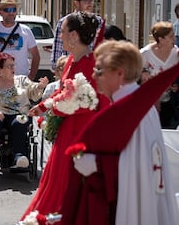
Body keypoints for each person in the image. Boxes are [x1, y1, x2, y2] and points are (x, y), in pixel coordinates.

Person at [60, 41, 179, 225]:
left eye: (99, 70)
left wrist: (96, 163)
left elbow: (137, 165)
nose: (93, 75)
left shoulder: (130, 112)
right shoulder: (137, 106)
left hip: (129, 208)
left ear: (120, 73)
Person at [21, 11, 108, 221]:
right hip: (68, 129)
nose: (59, 36)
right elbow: (63, 92)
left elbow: (88, 101)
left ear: (74, 36)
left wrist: (55, 108)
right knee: (57, 179)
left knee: (70, 181)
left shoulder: (91, 63)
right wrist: (44, 105)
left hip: (83, 131)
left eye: (62, 32)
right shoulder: (70, 60)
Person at [0, 52, 48, 168]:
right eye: (9, 66)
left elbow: (33, 93)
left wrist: (40, 86)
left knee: (20, 122)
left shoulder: (22, 80)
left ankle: (19, 156)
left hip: (18, 113)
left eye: (13, 65)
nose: (13, 68)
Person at [50, 0, 104, 70]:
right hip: (69, 68)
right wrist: (59, 69)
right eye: (86, 1)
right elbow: (57, 51)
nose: (90, 4)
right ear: (76, 3)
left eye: (91, 1)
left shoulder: (98, 21)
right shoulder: (65, 22)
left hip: (91, 68)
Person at [140, 21, 179, 126]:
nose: (174, 39)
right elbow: (132, 74)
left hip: (169, 102)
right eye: (171, 36)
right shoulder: (145, 54)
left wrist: (176, 85)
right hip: (148, 103)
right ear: (161, 39)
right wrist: (142, 74)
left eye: (174, 35)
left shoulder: (176, 53)